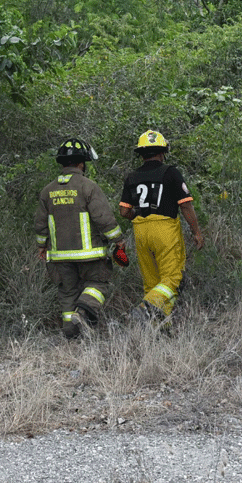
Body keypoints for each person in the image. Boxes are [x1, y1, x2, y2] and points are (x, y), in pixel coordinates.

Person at [34, 138, 125, 339]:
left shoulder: (48, 191)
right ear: (82, 163)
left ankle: (71, 333)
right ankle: (84, 312)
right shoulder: (88, 187)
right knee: (98, 284)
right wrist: (118, 239)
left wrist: (42, 247)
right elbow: (103, 218)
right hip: (90, 254)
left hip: (60, 257)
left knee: (68, 292)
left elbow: (40, 225)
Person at [119, 130, 204, 325]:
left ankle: (161, 326)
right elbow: (185, 204)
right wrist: (197, 232)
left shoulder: (131, 177)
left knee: (152, 282)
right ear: (163, 152)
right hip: (164, 229)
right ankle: (145, 309)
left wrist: (138, 216)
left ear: (141, 154)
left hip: (140, 230)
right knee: (172, 278)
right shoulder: (171, 173)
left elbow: (124, 212)